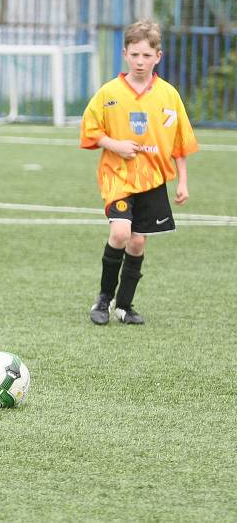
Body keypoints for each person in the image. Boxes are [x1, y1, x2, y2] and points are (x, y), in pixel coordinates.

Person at [80, 19, 198, 326]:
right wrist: (115, 144)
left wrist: (182, 181)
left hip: (153, 179)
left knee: (137, 242)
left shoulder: (168, 95)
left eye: (147, 55)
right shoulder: (109, 92)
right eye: (135, 55)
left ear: (158, 56)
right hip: (117, 175)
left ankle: (125, 305)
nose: (140, 61)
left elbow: (180, 142)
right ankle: (103, 299)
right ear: (125, 54)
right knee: (120, 232)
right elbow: (90, 131)